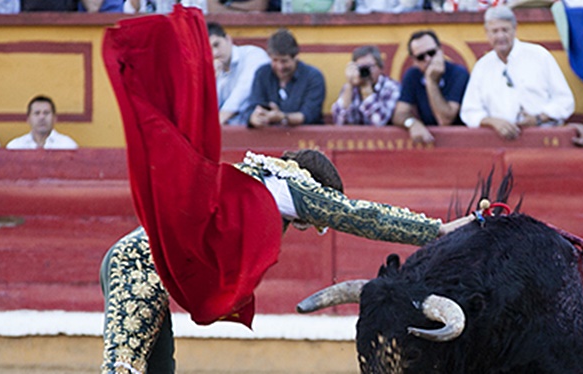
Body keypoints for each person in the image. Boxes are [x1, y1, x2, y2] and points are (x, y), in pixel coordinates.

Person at [100, 8, 473, 373]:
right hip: (139, 265)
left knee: (157, 368)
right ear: (314, 187)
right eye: (313, 217)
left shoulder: (262, 181)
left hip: (143, 261)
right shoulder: (291, 188)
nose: (306, 225)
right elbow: (360, 216)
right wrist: (435, 230)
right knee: (123, 369)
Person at [460, 5, 575, 140]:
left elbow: (565, 102)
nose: (500, 36)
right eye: (495, 31)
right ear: (487, 33)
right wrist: (492, 122)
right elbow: (469, 111)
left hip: (542, 139)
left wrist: (538, 118)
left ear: (515, 29)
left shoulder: (539, 55)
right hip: (498, 142)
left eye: (505, 30)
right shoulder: (482, 66)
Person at [391, 30, 470, 144]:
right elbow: (399, 114)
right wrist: (412, 123)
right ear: (414, 61)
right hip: (429, 143)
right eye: (420, 57)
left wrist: (431, 81)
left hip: (461, 143)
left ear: (440, 51)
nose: (428, 59)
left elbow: (445, 120)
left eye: (431, 53)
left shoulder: (458, 73)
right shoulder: (412, 75)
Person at [242, 28, 326, 127]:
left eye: (284, 61)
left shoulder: (313, 77)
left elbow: (309, 115)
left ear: (296, 57)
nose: (280, 67)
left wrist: (283, 117)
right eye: (275, 60)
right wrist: (254, 118)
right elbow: (252, 107)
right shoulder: (262, 73)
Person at [209, 22, 270, 125]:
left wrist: (219, 119)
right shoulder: (214, 68)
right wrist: (211, 79)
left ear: (228, 39)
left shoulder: (253, 54)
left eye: (217, 45)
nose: (215, 53)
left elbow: (243, 91)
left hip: (256, 131)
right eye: (209, 49)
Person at [331, 45, 400, 126]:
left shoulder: (391, 88)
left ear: (380, 68)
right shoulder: (351, 88)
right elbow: (339, 122)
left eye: (369, 67)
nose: (365, 71)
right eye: (361, 67)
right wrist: (349, 84)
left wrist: (366, 89)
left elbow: (379, 121)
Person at [6, 95, 79, 150]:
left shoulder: (67, 146)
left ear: (54, 118)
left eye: (46, 113)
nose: (42, 117)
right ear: (28, 119)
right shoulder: (15, 146)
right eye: (37, 113)